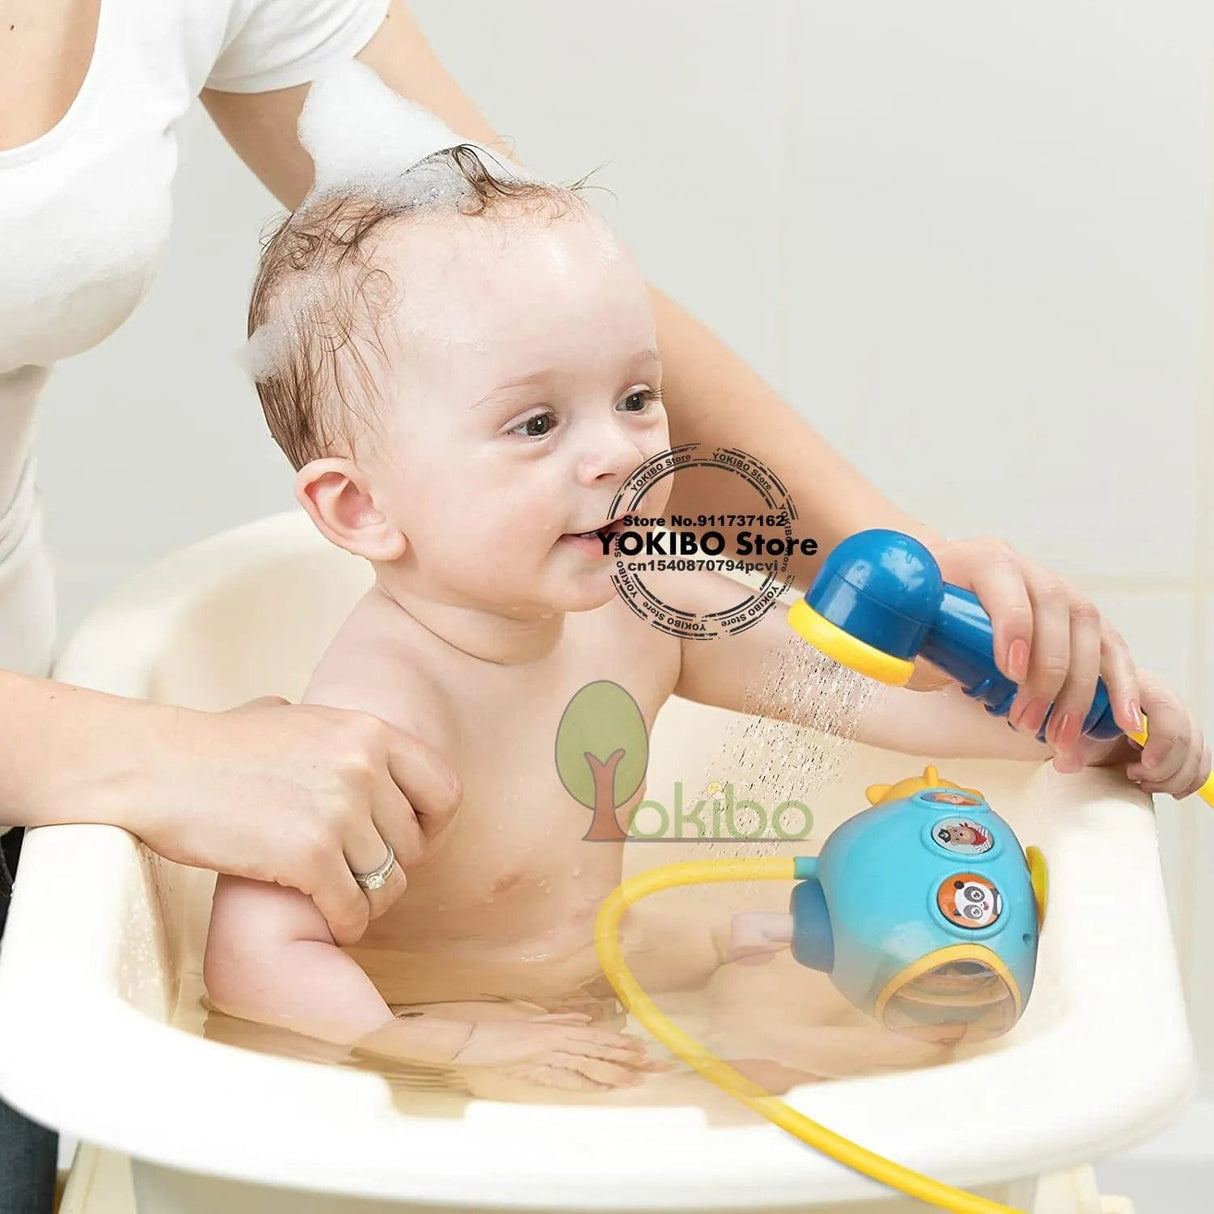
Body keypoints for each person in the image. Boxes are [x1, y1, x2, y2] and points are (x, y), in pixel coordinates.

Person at [0, 0, 1204, 1205]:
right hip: (423, 1039)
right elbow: (255, 963)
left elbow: (847, 692)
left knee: (835, 1023)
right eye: (535, 422)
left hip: (600, 974)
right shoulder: (382, 705)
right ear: (361, 510)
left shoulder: (649, 596)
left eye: (634, 398)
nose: (614, 455)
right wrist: (441, 1047)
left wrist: (1050, 715)